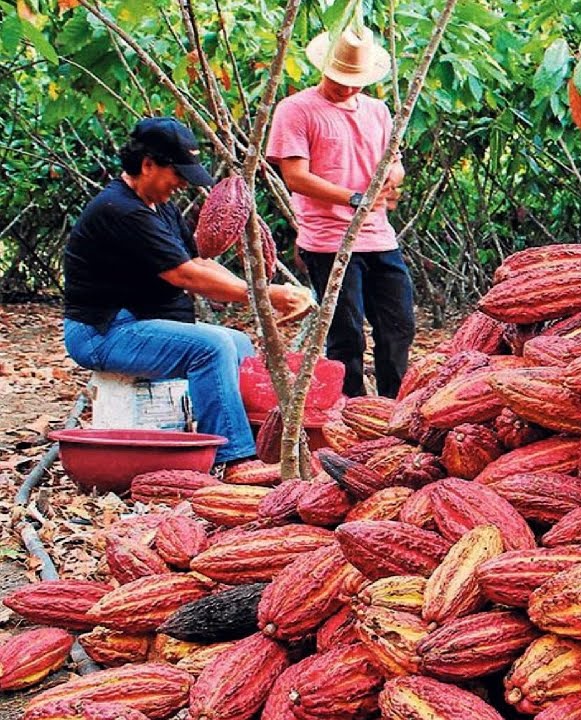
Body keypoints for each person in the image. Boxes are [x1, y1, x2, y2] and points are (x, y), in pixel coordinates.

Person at [62, 117, 314, 466]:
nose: (181, 184)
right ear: (148, 165)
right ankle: (235, 459)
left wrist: (264, 292)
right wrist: (266, 295)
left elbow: (198, 262)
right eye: (177, 174)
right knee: (211, 348)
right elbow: (186, 276)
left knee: (238, 344)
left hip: (138, 323)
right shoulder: (120, 210)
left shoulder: (159, 206)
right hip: (102, 332)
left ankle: (264, 442)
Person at [266, 24, 413, 398]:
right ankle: (350, 413)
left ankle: (394, 407)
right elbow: (296, 176)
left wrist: (392, 178)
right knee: (346, 336)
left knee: (398, 327)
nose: (346, 88)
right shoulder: (296, 109)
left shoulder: (379, 111)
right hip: (328, 238)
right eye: (340, 79)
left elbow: (394, 163)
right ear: (325, 67)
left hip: (379, 236)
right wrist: (354, 198)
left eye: (355, 81)